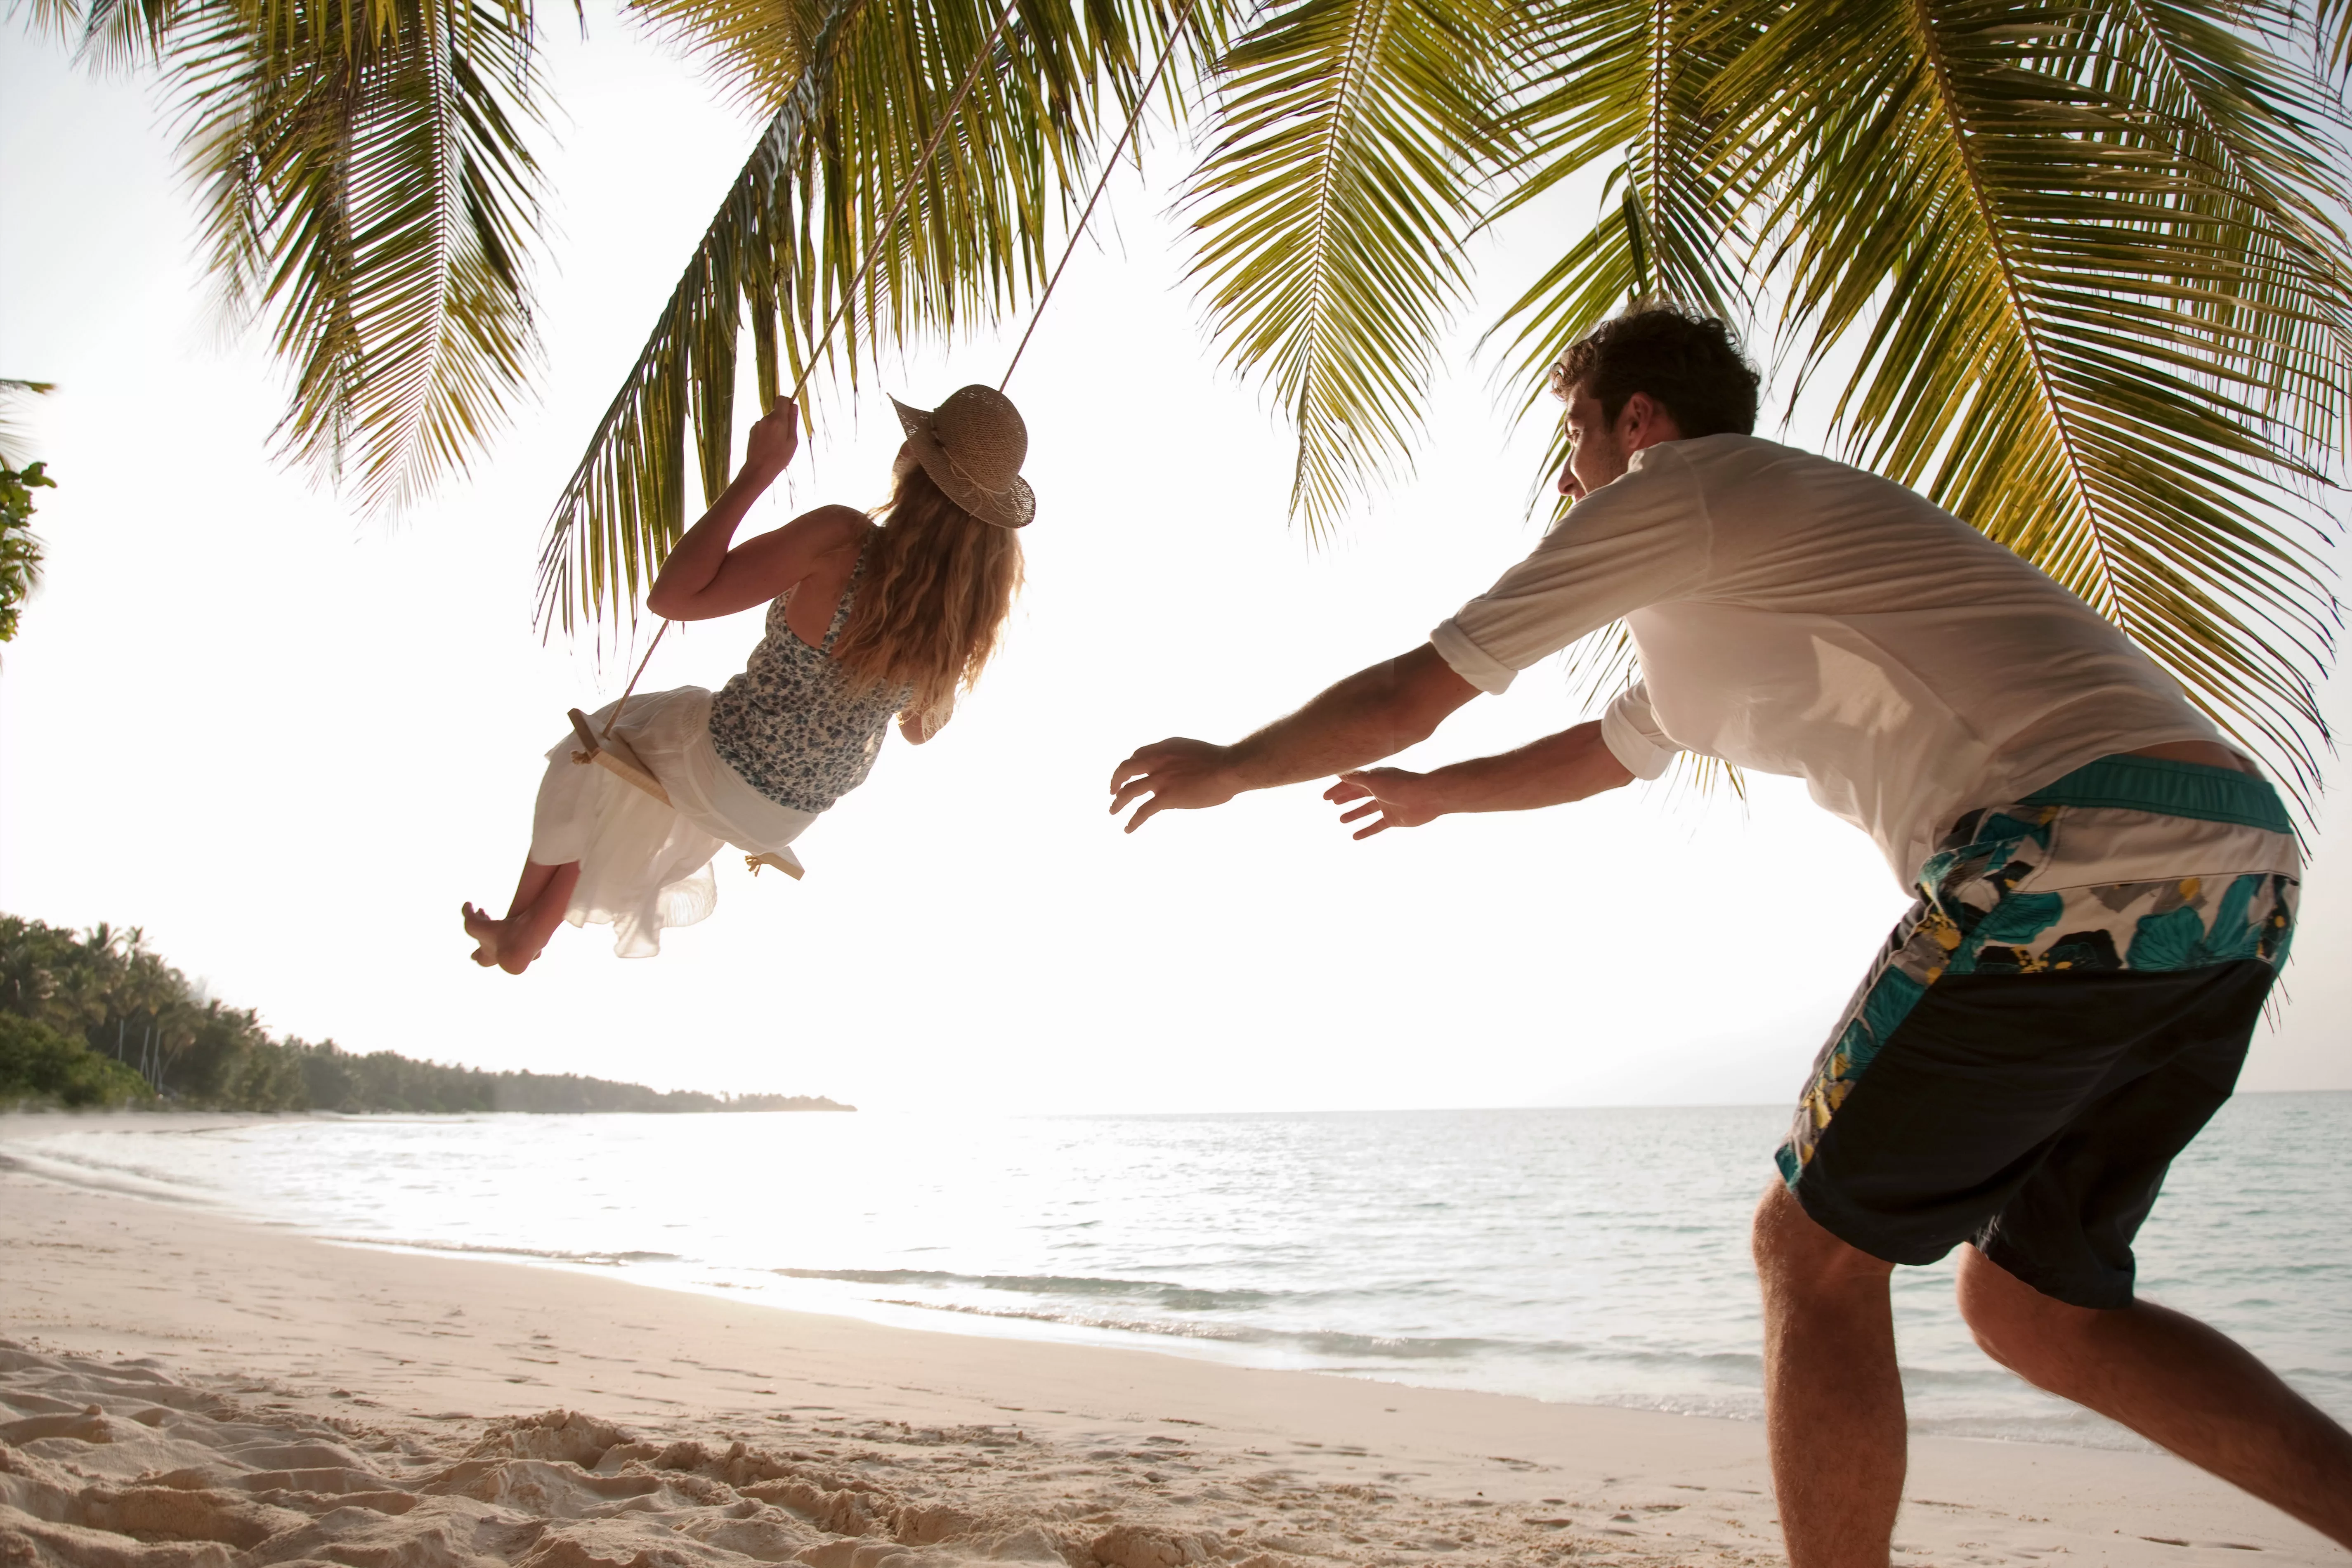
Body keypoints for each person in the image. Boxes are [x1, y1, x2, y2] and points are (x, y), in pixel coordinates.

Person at [1106, 305, 2351, 1566]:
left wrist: (1233, 765)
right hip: (2237, 873)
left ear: (1636, 421)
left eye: (1572, 434)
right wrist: (1436, 798)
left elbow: (1408, 691)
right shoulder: (1749, 565)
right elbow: (1611, 747)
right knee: (2034, 1309)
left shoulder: (1678, 487)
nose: (1565, 472)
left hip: (2074, 848)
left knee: (1804, 1249)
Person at [464, 385, 1033, 969]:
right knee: (628, 778)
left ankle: (521, 923)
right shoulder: (957, 619)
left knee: (595, 745)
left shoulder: (842, 541)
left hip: (728, 761)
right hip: (790, 814)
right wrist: (940, 652)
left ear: (915, 463)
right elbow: (917, 732)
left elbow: (673, 597)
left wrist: (757, 473)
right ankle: (528, 930)